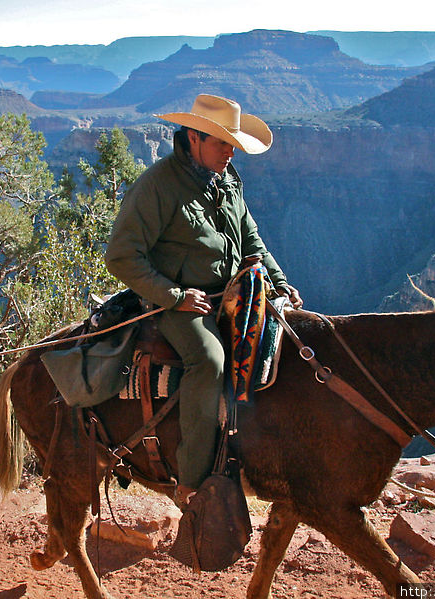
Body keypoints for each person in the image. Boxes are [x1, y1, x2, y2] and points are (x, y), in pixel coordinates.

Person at [104, 93, 303, 508]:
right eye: (220, 142)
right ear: (193, 137)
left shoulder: (227, 181)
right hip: (177, 302)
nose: (230, 152)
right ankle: (191, 481)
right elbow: (122, 256)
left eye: (232, 144)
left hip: (232, 293)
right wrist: (174, 297)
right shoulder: (157, 185)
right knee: (209, 361)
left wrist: (280, 283)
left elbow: (251, 240)